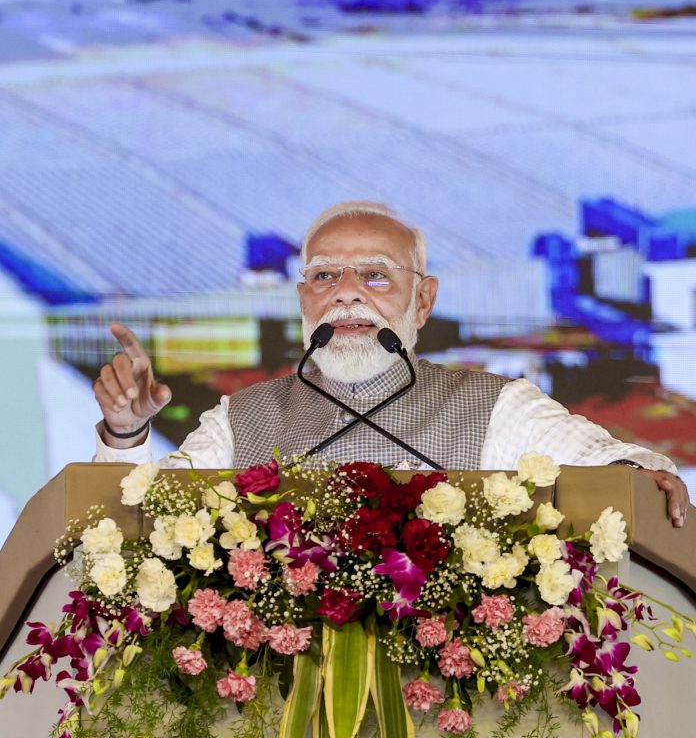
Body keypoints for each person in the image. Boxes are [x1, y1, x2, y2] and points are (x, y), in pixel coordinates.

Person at [93, 201, 690, 527]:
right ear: (303, 300)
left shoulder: (496, 408)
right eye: (325, 276)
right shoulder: (240, 420)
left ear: (423, 300)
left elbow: (612, 460)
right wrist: (125, 433)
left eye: (376, 275)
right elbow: (141, 524)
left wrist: (634, 473)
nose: (346, 294)